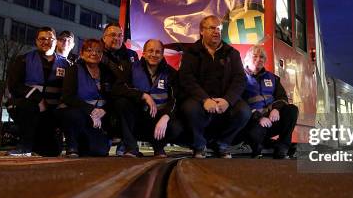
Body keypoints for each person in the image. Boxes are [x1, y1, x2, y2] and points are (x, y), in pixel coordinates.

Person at [179, 15, 251, 158]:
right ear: (201, 31)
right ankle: (199, 146)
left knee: (244, 111)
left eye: (219, 28)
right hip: (200, 99)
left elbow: (240, 79)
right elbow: (186, 79)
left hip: (224, 99)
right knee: (189, 108)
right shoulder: (191, 52)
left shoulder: (232, 53)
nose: (216, 32)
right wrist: (205, 99)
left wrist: (228, 100)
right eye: (212, 28)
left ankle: (223, 144)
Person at [112, 39, 183, 157]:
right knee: (122, 103)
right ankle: (131, 148)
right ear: (143, 53)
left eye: (158, 52)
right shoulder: (131, 68)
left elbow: (176, 98)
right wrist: (143, 95)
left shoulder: (171, 73)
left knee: (176, 128)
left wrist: (166, 116)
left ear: (162, 54)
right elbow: (117, 88)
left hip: (159, 118)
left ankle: (159, 147)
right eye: (150, 51)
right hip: (138, 117)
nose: (154, 55)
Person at [6, 27, 71, 156]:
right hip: (27, 106)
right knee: (28, 106)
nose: (46, 41)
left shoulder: (66, 64)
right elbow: (14, 85)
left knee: (52, 151)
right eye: (42, 39)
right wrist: (38, 98)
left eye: (50, 38)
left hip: (51, 112)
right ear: (36, 41)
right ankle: (25, 146)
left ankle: (37, 142)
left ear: (56, 41)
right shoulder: (23, 60)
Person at [240, 45, 299, 159]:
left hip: (272, 119)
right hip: (252, 121)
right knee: (256, 135)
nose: (259, 59)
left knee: (292, 110)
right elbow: (238, 102)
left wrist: (276, 109)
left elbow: (282, 97)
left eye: (262, 57)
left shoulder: (273, 78)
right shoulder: (240, 78)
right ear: (246, 59)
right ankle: (260, 146)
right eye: (255, 56)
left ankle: (282, 147)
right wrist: (259, 117)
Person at [57, 39, 113, 157]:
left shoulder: (107, 72)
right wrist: (91, 111)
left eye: (98, 51)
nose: (94, 53)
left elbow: (112, 97)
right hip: (78, 113)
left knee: (99, 151)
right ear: (82, 53)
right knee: (73, 115)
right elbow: (68, 97)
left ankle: (86, 143)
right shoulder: (74, 70)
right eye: (89, 50)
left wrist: (104, 110)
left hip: (99, 116)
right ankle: (72, 146)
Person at [100, 23, 140, 154]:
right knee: (97, 150)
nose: (116, 38)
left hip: (124, 97)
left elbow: (134, 80)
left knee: (125, 103)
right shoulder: (96, 53)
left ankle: (129, 146)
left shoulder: (131, 55)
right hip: (101, 99)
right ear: (104, 37)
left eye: (120, 35)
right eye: (112, 35)